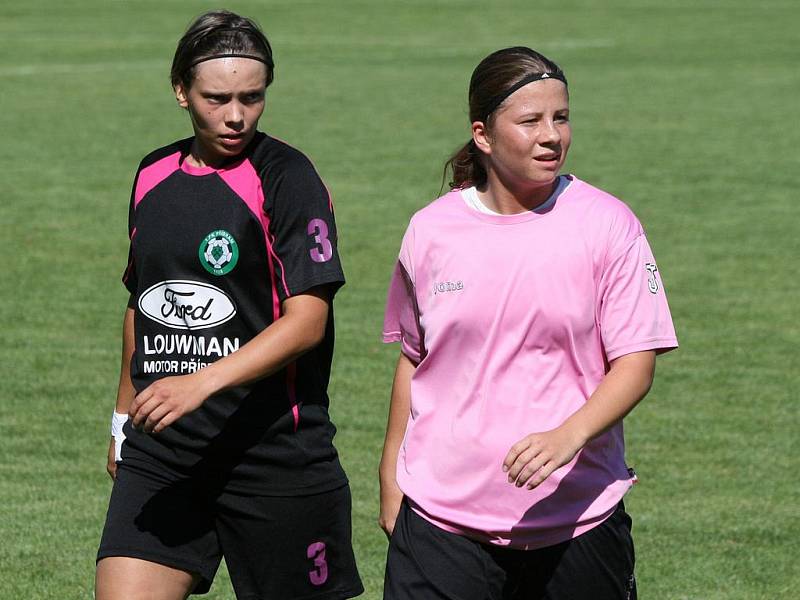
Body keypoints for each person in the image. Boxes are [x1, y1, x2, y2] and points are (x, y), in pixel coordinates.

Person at [379, 46, 678, 600]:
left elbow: (636, 363)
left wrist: (571, 434)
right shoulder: (430, 231)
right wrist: (391, 475)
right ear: (483, 135)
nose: (552, 136)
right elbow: (416, 358)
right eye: (531, 121)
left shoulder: (608, 225)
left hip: (576, 521)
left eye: (561, 117)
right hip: (442, 522)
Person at [95, 10, 363, 600]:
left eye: (252, 97)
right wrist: (122, 421)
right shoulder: (151, 174)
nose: (236, 115)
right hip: (165, 457)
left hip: (274, 456)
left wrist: (199, 384)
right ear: (180, 93)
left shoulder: (288, 178)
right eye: (216, 99)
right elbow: (142, 306)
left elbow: (307, 323)